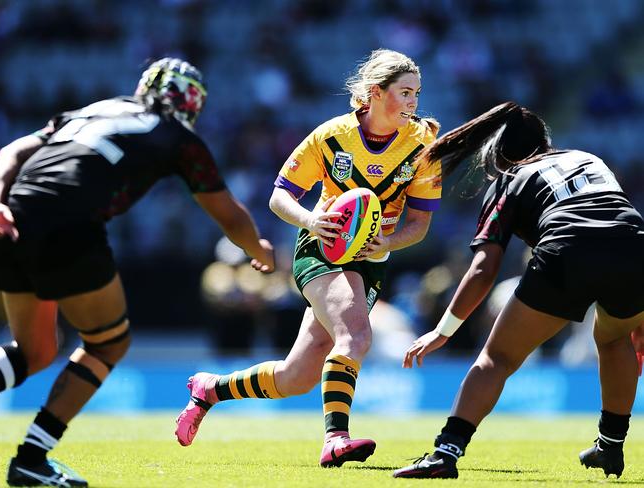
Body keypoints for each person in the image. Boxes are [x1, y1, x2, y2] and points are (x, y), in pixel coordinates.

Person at [0, 57, 275, 487]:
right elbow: (227, 212)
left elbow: (12, 150)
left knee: (34, 350)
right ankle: (32, 457)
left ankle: (31, 460)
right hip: (68, 226)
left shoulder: (95, 109)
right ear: (192, 104)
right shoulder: (179, 136)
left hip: (12, 213)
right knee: (108, 344)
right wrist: (258, 248)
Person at [175, 48, 442, 467]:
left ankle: (210, 388)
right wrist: (312, 220)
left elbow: (420, 223)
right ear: (375, 93)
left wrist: (389, 243)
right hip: (321, 247)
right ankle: (336, 438)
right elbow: (280, 197)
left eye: (417, 93)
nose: (413, 101)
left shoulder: (424, 143)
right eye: (405, 92)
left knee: (296, 377)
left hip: (371, 261)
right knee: (356, 335)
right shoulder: (330, 136)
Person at [392, 101, 644, 479]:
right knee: (614, 338)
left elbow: (484, 269)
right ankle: (610, 446)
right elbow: (609, 220)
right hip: (635, 246)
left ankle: (445, 453)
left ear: (498, 155)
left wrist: (441, 332)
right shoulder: (589, 159)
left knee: (497, 359)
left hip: (568, 250)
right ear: (545, 140)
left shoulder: (510, 180)